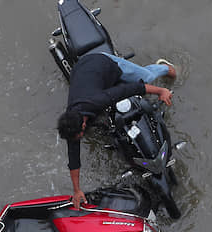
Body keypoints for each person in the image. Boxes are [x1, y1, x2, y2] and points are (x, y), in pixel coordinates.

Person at [57, 53, 177, 208]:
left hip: (102, 63)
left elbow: (131, 89)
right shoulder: (72, 121)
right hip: (84, 75)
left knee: (145, 77)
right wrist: (77, 190)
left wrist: (161, 91)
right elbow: (73, 158)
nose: (77, 139)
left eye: (78, 136)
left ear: (83, 125)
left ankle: (164, 67)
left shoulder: (97, 101)